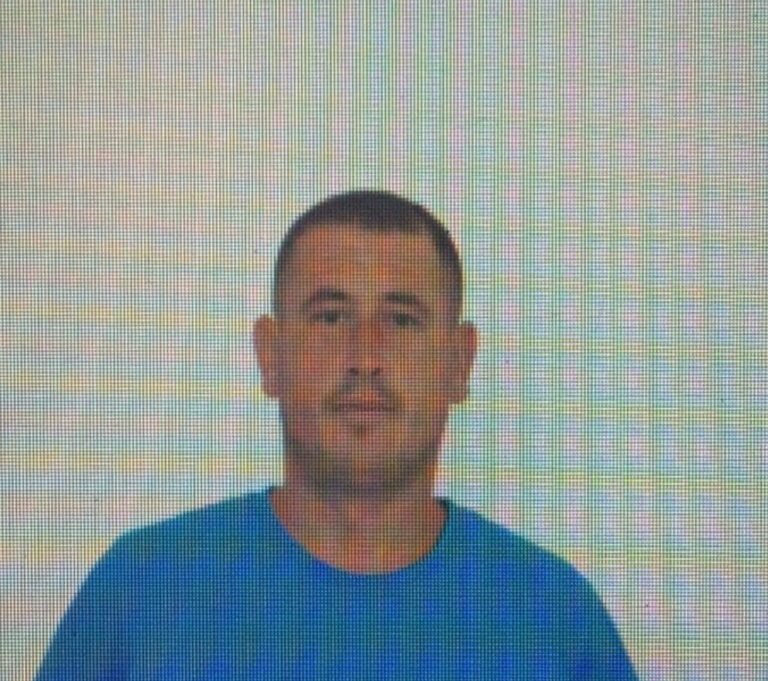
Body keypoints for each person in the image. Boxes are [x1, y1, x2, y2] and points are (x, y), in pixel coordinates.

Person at [36, 190, 638, 679]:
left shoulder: (554, 621)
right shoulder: (143, 594)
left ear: (458, 363)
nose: (365, 357)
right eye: (330, 317)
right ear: (271, 356)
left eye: (401, 320)